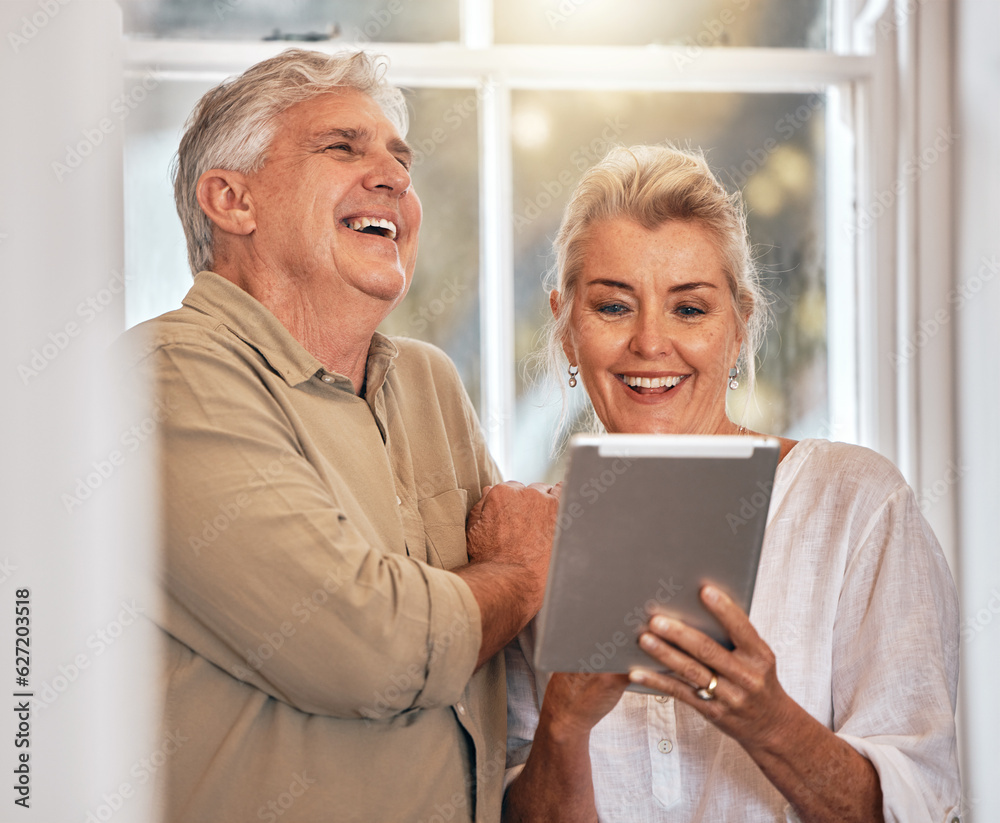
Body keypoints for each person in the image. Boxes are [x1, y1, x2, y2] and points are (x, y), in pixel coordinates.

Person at [118, 49, 557, 823]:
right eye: (343, 147)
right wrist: (520, 573)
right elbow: (368, 648)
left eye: (400, 159)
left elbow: (516, 662)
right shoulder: (161, 378)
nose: (393, 177)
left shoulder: (430, 382)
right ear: (231, 199)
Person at [502, 145, 962, 822]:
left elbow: (924, 806)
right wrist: (564, 726)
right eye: (612, 306)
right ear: (567, 328)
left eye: (690, 309)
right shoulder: (528, 545)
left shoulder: (856, 503)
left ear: (739, 326)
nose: (651, 343)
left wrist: (768, 719)